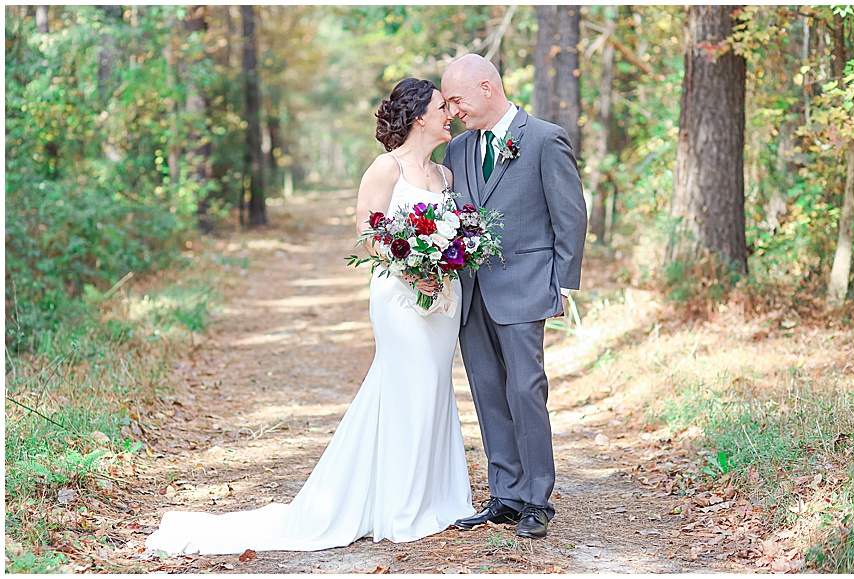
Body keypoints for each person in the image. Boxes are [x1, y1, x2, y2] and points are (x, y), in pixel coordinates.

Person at [144, 78, 475, 555]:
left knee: (435, 388)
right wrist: (410, 267)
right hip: (400, 298)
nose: (452, 115)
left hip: (442, 301)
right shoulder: (386, 168)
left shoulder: (445, 177)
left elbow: (456, 234)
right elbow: (368, 232)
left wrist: (444, 263)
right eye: (444, 107)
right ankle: (400, 508)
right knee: (409, 386)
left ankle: (433, 497)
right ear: (420, 115)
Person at [441, 54, 588, 539]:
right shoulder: (458, 150)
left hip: (525, 286)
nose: (453, 110)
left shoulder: (545, 138)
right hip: (472, 291)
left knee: (525, 390)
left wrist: (562, 283)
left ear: (487, 87)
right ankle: (503, 494)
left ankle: (536, 500)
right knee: (486, 391)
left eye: (457, 99)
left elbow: (570, 214)